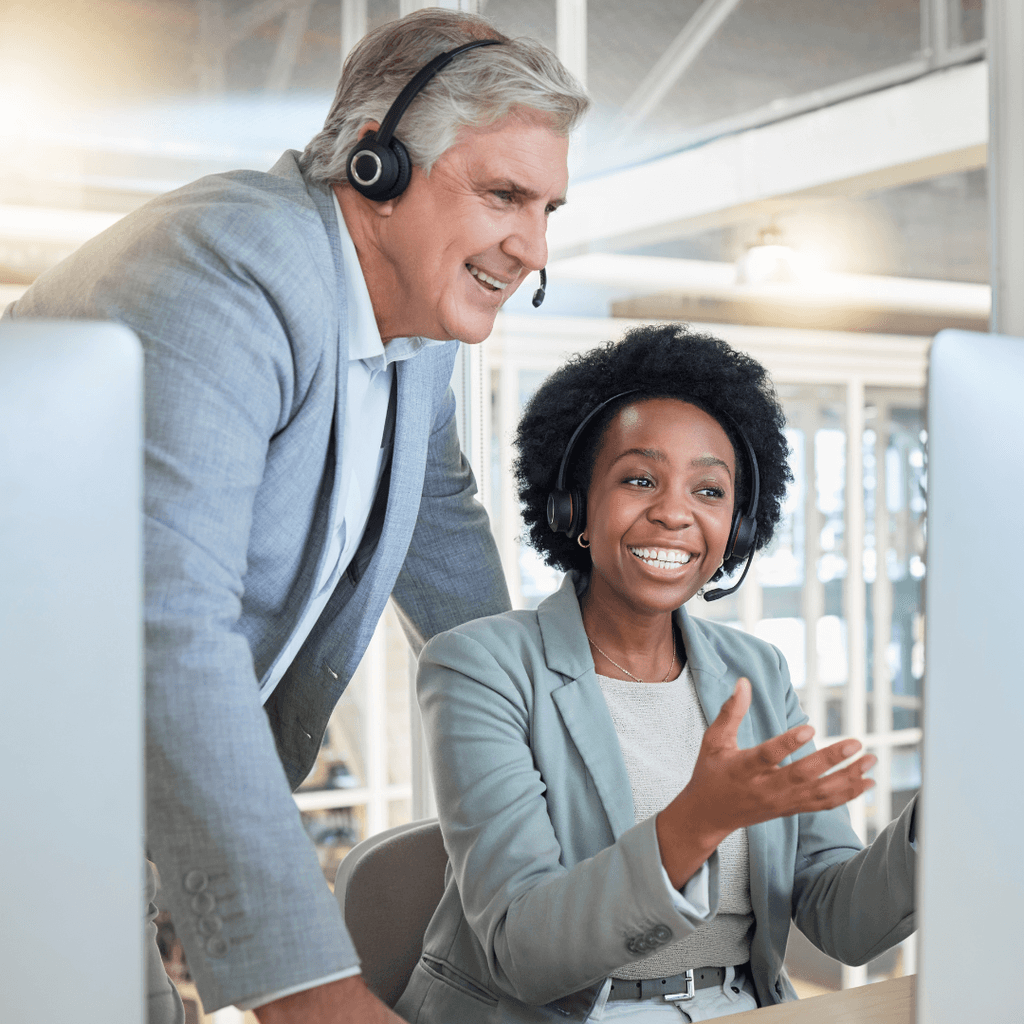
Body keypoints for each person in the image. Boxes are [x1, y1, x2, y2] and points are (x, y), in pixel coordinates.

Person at [1, 9, 588, 1023]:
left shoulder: (411, 329)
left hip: (81, 809)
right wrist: (309, 991)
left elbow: (442, 535)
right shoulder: (227, 264)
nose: (531, 247)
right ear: (376, 167)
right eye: (501, 194)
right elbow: (165, 620)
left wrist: (557, 781)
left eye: (547, 209)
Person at [398, 325, 917, 1024]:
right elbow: (523, 952)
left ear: (736, 529)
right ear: (574, 505)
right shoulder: (481, 667)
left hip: (737, 1008)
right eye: (639, 479)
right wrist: (696, 823)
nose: (674, 512)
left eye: (709, 490)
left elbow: (842, 924)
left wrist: (942, 820)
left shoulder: (754, 672)